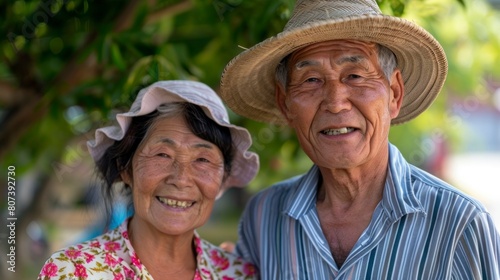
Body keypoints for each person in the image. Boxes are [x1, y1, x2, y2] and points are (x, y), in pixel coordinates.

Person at [218, 0, 500, 279]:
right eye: (311, 80)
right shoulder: (264, 216)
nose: (335, 102)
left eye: (354, 75)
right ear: (285, 104)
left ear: (394, 94)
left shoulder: (459, 223)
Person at [37, 80, 259, 279]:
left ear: (222, 179)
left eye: (202, 159)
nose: (181, 179)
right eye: (162, 155)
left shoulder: (239, 275)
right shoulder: (74, 271)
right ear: (126, 168)